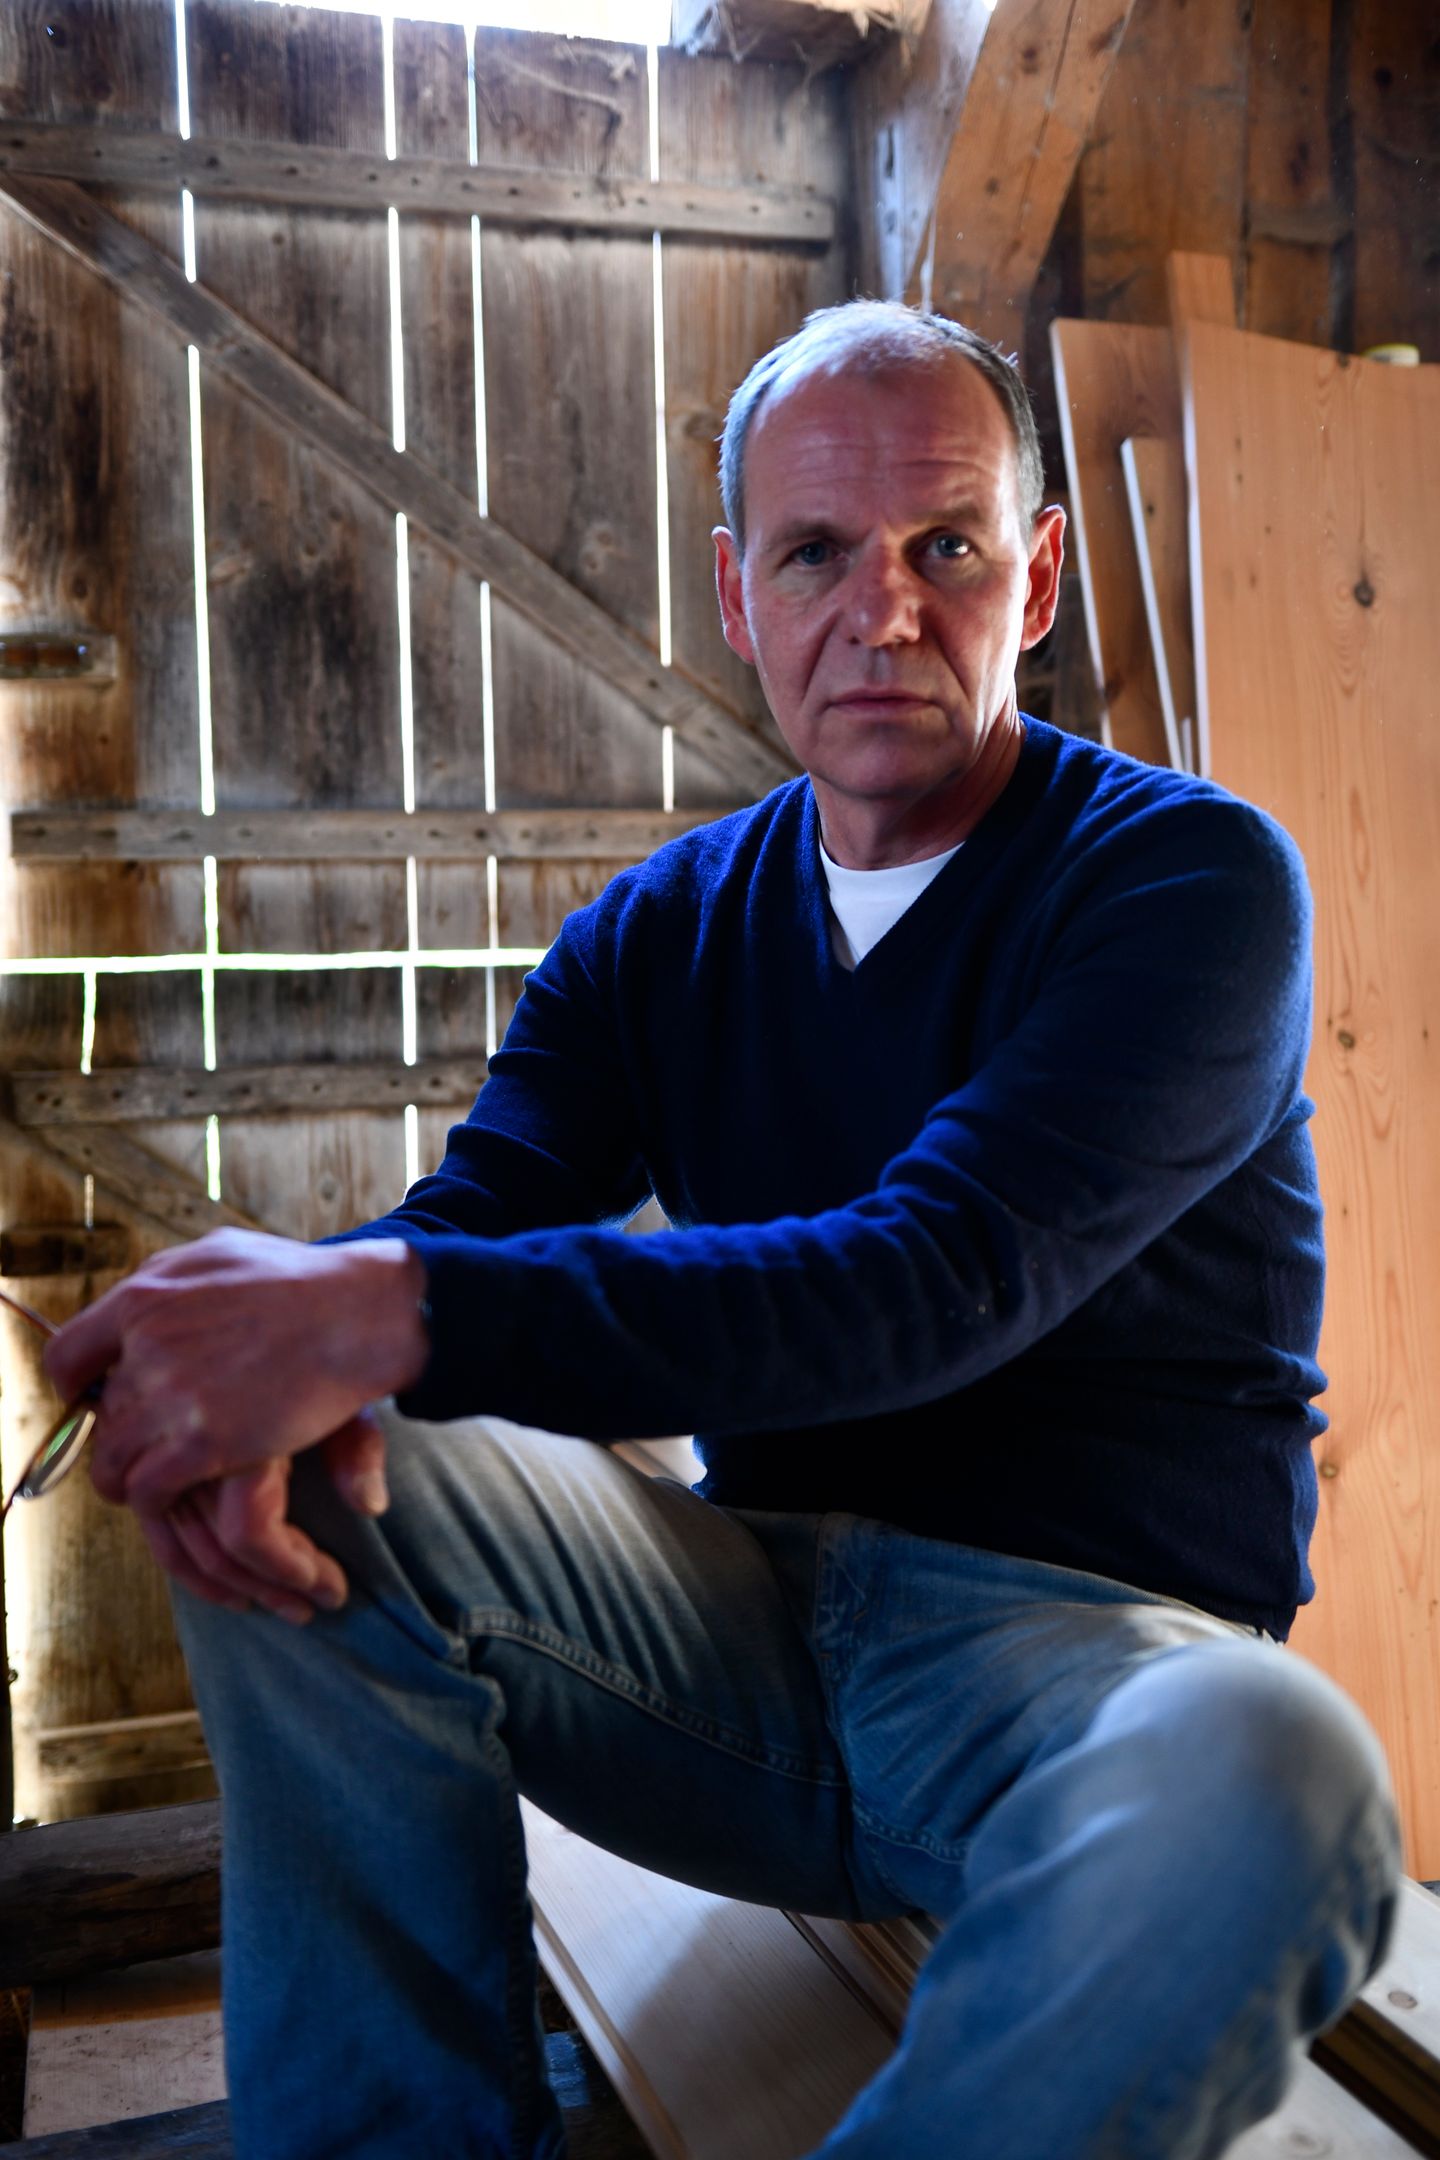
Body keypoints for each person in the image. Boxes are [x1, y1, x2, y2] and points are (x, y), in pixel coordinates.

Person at [48, 302, 1399, 2160]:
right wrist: (296, 1347)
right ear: (737, 593)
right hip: (736, 1642)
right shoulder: (657, 931)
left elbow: (935, 1276)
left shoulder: (1185, 881)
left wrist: (380, 1305)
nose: (884, 612)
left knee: (1282, 1766)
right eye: (817, 552)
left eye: (947, 548)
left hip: (1070, 1676)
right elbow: (471, 1226)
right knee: (316, 1460)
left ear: (1038, 577)